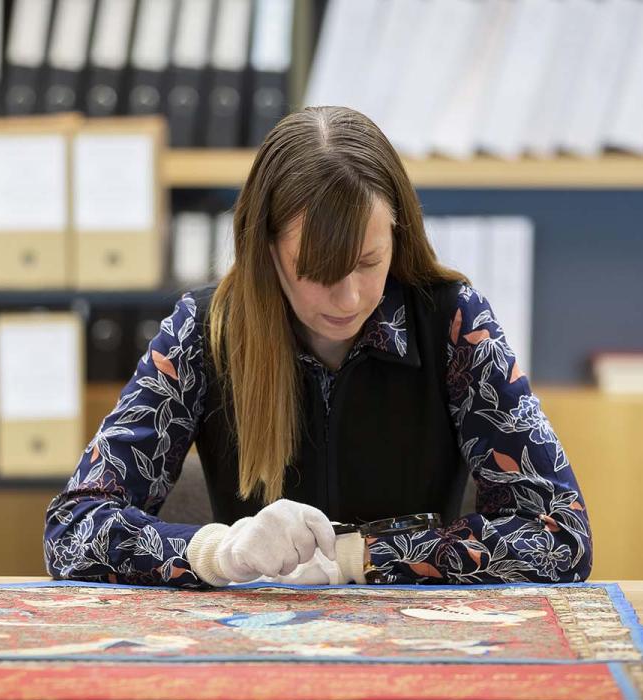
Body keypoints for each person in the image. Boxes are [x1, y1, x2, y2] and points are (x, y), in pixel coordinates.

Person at [44, 106, 592, 588]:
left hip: (416, 642)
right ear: (265, 249)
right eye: (316, 269)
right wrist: (220, 552)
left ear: (398, 235)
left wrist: (359, 556)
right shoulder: (205, 329)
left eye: (369, 262)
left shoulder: (453, 322)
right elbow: (72, 529)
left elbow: (561, 535)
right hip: (253, 641)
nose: (348, 298)